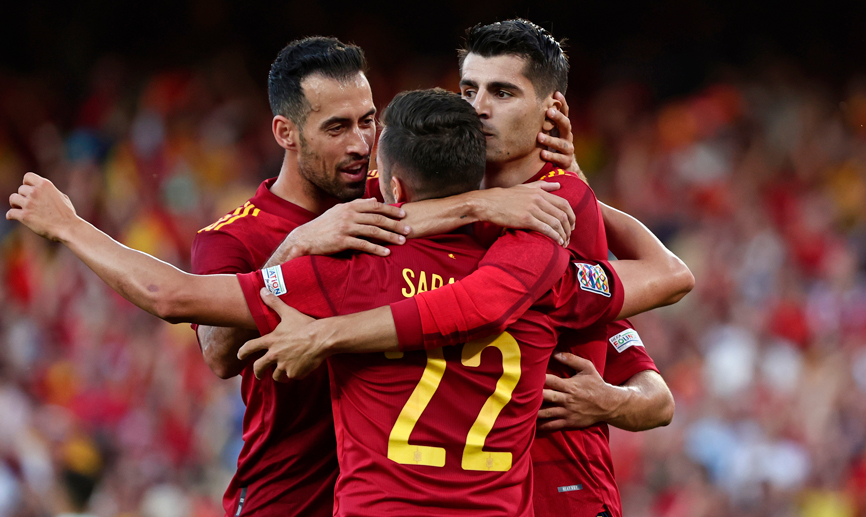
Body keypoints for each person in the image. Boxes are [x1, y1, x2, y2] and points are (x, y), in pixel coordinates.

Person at [8, 88, 689, 516]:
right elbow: (664, 274)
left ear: (388, 185)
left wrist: (67, 223)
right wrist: (562, 185)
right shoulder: (544, 273)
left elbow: (172, 295)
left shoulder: (344, 272)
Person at [247, 20, 687, 517]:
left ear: (552, 110)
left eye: (502, 92)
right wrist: (300, 240)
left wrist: (610, 401)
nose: (479, 107)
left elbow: (664, 312)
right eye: (469, 89)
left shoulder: (559, 223)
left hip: (568, 493)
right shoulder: (415, 185)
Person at [185, 36, 582, 516]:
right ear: (285, 132)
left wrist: (632, 393)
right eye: (336, 127)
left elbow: (628, 280)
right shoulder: (234, 236)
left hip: (391, 494)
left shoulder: (391, 189)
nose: (360, 143)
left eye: (367, 120)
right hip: (291, 490)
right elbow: (219, 353)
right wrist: (294, 245)